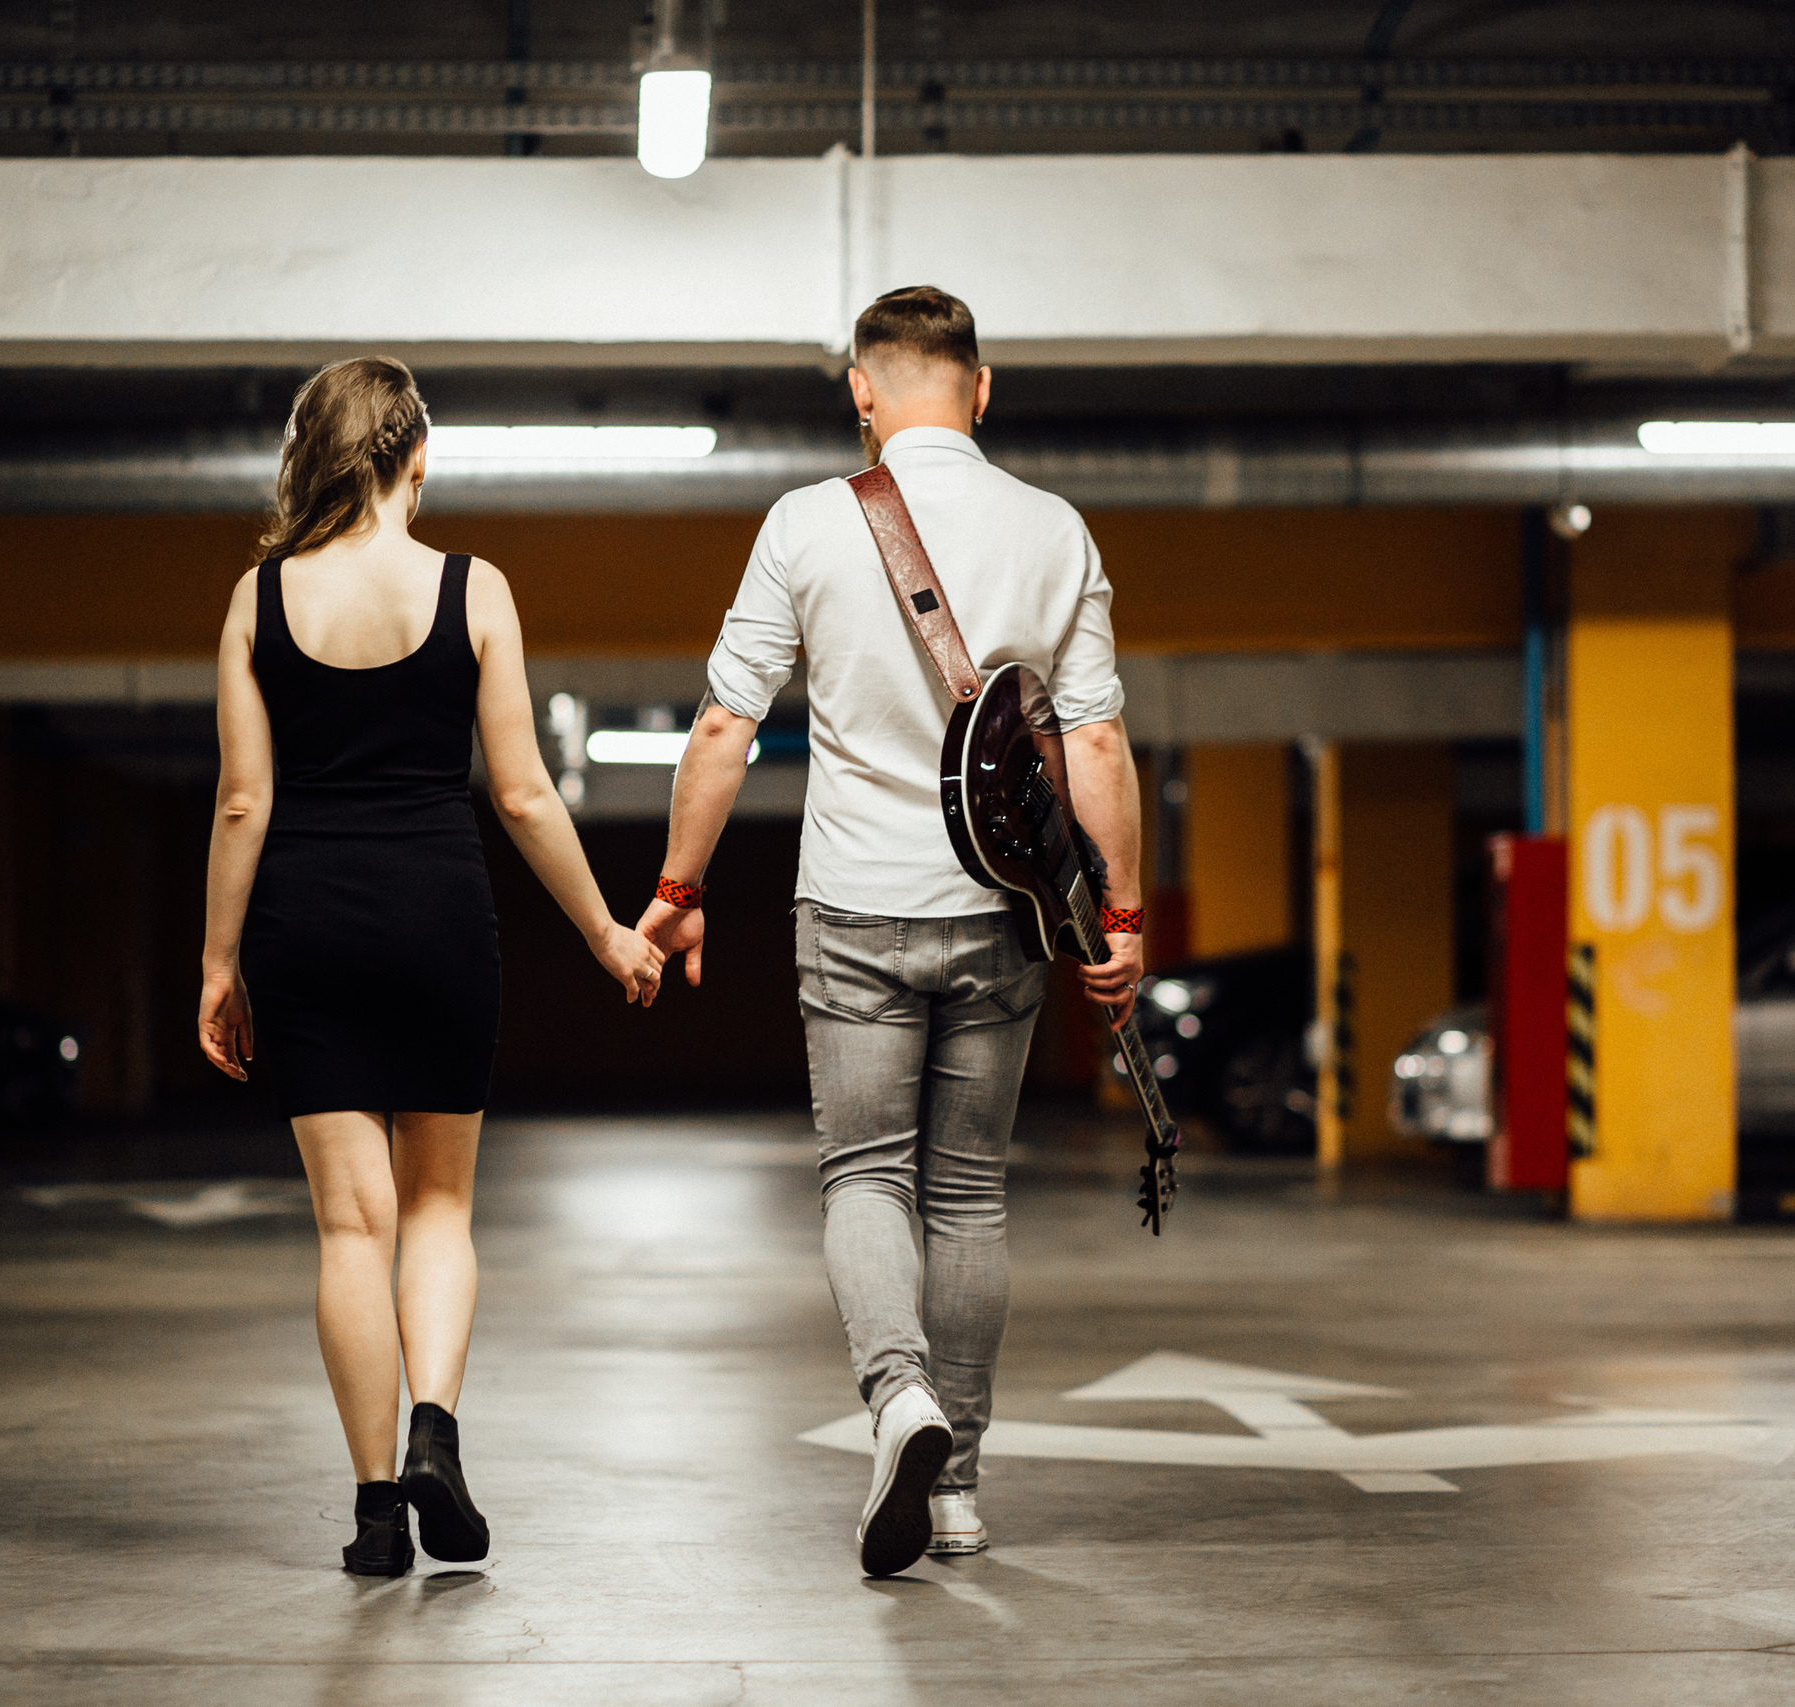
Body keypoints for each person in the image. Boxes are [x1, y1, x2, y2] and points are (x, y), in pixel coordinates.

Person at [637, 287, 1144, 1577]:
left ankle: (897, 1397)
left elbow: (721, 725)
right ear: (982, 390)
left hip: (854, 906)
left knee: (865, 1174)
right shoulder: (1054, 528)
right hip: (1005, 913)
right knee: (968, 1191)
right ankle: (960, 1485)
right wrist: (1121, 920)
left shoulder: (807, 523)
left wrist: (678, 894)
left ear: (861, 391)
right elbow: (1092, 738)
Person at [198, 356, 665, 1578]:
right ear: (418, 460)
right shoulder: (475, 590)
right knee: (441, 1207)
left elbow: (244, 802)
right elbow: (519, 790)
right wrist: (608, 932)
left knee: (353, 1228)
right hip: (438, 914)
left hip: (304, 920)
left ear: (311, 457)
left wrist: (217, 964)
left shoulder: (258, 600)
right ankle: (435, 1436)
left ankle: (371, 1516)